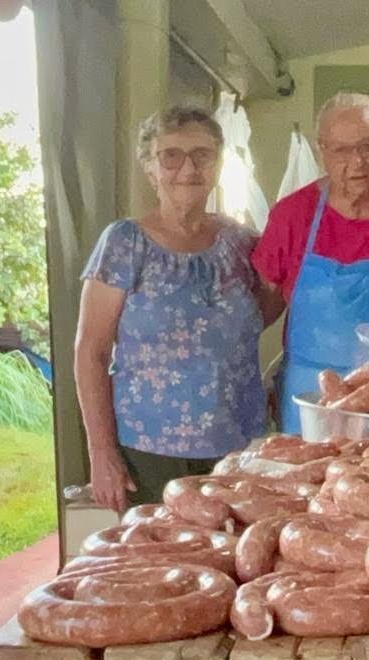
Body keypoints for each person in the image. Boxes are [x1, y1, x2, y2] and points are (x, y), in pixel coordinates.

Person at [75, 106, 283, 512]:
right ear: (150, 167)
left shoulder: (242, 243)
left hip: (239, 447)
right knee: (160, 564)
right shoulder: (124, 242)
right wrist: (101, 454)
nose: (188, 167)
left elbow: (263, 312)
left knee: (238, 564)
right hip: (150, 453)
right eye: (171, 155)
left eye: (202, 154)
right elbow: (90, 352)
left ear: (218, 164)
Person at [253, 93, 369, 434]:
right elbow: (260, 309)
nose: (357, 163)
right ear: (322, 151)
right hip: (312, 402)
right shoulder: (292, 216)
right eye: (341, 150)